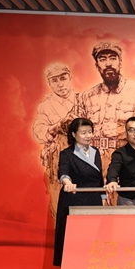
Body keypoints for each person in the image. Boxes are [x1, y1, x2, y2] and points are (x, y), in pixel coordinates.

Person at [78, 41, 135, 172]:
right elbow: (73, 126)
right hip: (93, 159)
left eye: (113, 58)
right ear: (96, 65)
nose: (108, 63)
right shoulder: (87, 96)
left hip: (126, 159)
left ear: (120, 62)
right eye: (102, 59)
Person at [54, 118, 105, 266]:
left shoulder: (95, 152)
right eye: (83, 133)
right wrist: (67, 183)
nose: (88, 136)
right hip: (74, 199)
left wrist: (103, 195)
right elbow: (63, 172)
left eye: (90, 132)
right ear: (74, 134)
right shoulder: (67, 154)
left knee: (93, 239)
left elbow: (99, 177)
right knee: (74, 239)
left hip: (94, 199)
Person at [32, 63, 79, 218]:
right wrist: (56, 127)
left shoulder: (82, 100)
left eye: (63, 78)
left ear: (70, 79)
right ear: (49, 84)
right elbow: (39, 132)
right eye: (55, 80)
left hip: (82, 158)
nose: (60, 84)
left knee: (84, 205)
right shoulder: (45, 106)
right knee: (60, 208)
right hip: (58, 159)